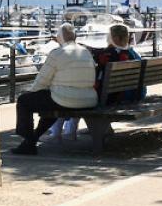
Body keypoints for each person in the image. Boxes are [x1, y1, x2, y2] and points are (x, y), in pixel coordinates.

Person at [11, 22, 97, 155]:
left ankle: (28, 139)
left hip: (65, 99)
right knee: (51, 104)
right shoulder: (85, 52)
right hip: (88, 99)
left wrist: (31, 92)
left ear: (59, 38)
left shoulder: (57, 53)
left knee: (24, 101)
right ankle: (31, 141)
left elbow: (42, 80)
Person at [91, 23, 145, 103]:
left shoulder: (107, 55)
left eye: (109, 36)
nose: (107, 39)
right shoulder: (134, 54)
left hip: (115, 97)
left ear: (115, 38)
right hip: (136, 95)